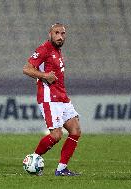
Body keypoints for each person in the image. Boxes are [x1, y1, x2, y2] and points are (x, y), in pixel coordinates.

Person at [23, 23, 82, 176]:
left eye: (62, 33)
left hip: (62, 97)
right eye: (56, 33)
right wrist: (44, 76)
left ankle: (61, 169)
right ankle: (33, 160)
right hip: (49, 98)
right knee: (56, 135)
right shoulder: (44, 49)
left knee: (75, 131)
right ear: (50, 33)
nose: (60, 36)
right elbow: (27, 68)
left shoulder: (57, 51)